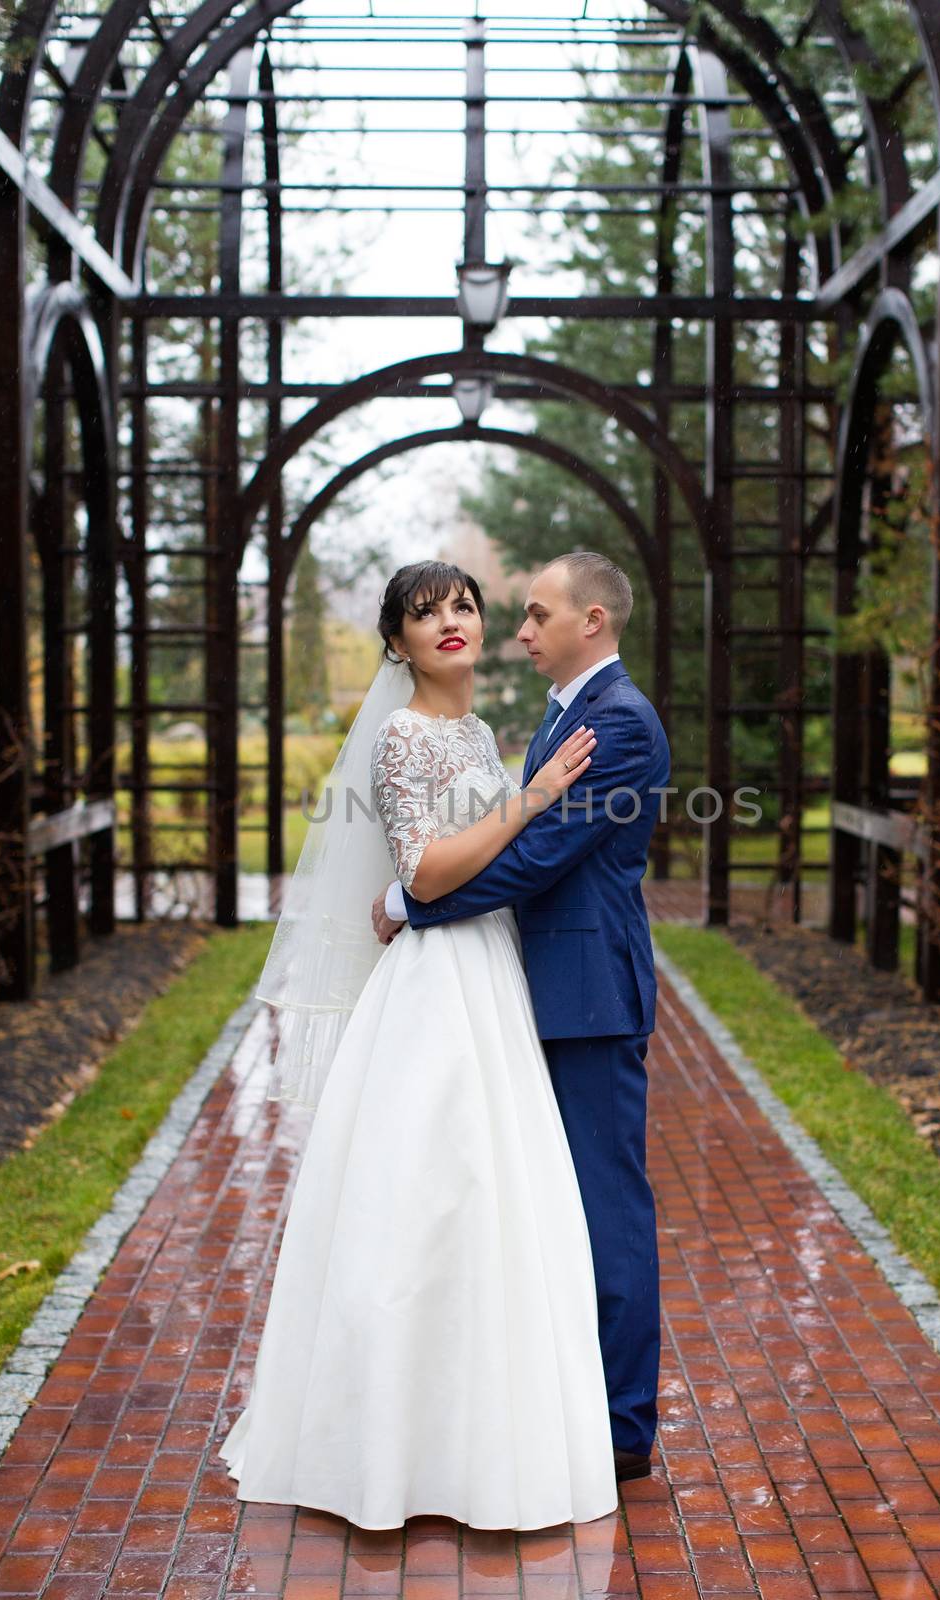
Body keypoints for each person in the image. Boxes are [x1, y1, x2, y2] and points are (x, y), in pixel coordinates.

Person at [218, 559, 620, 1531]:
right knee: (425, 1192)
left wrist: (518, 794)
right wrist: (527, 799)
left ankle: (477, 1432)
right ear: (396, 642)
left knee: (493, 1194)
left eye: (463, 606)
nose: (450, 621)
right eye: (423, 612)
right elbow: (426, 873)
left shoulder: (480, 731)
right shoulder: (401, 736)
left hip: (493, 975)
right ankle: (387, 1443)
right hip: (435, 984)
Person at [374, 551, 671, 1483]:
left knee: (606, 1209)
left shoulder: (616, 724)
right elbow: (518, 831)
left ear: (591, 621)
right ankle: (556, 1396)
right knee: (539, 1201)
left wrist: (410, 905)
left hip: (585, 996)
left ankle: (623, 1429)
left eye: (536, 615)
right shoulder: (559, 716)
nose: (519, 630)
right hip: (529, 987)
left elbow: (538, 855)